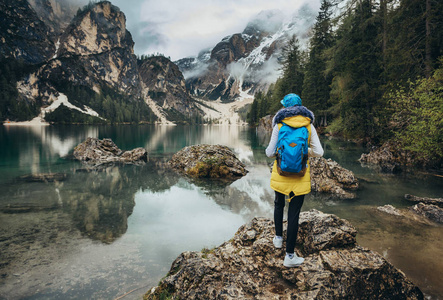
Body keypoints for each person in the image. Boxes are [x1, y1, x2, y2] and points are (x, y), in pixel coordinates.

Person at [265, 93, 324, 268]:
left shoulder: (279, 124)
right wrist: (303, 153)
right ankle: (289, 256)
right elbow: (319, 152)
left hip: (280, 173)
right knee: (294, 214)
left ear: (285, 108)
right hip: (300, 174)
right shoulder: (308, 125)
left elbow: (269, 153)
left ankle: (278, 238)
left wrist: (282, 153)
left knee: (278, 203)